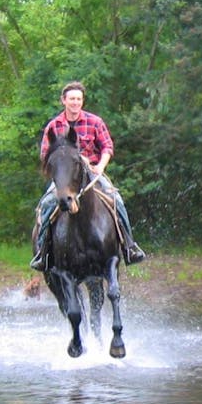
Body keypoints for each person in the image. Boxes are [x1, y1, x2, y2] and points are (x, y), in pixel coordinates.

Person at [30, 81, 146, 271]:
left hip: (91, 174)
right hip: (64, 178)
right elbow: (45, 154)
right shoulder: (54, 126)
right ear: (63, 101)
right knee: (46, 205)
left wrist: (100, 166)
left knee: (116, 199)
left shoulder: (95, 122)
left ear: (82, 101)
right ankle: (43, 253)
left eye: (78, 99)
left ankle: (129, 246)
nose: (75, 102)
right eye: (71, 99)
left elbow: (107, 146)